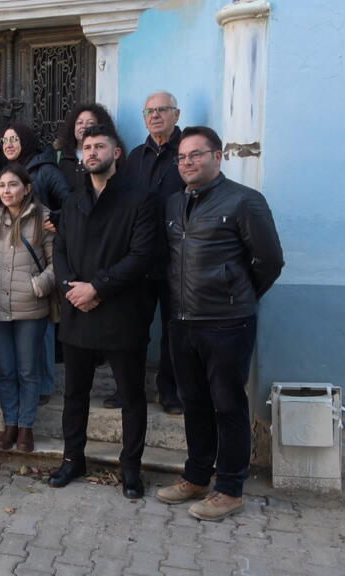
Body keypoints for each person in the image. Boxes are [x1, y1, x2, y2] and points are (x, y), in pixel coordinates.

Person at [155, 126, 283, 521]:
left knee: (227, 405)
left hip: (228, 323)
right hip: (182, 320)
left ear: (217, 156)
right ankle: (196, 476)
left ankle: (229, 488)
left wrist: (237, 295)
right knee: (194, 403)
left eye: (196, 154)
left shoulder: (245, 201)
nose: (187, 162)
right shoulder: (174, 203)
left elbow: (270, 261)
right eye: (182, 157)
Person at [49, 125, 156, 500]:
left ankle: (131, 469)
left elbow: (142, 255)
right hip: (77, 310)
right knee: (75, 394)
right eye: (87, 147)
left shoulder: (140, 198)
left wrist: (97, 288)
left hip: (122, 312)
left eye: (99, 146)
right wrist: (71, 288)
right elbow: (59, 251)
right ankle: (72, 459)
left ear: (116, 152)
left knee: (131, 397)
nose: (92, 152)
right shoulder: (73, 200)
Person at [0, 163, 54, 453]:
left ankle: (26, 426)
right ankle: (10, 424)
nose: (6, 191)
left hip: (30, 308)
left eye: (13, 184)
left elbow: (57, 262)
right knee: (5, 371)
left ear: (27, 188)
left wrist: (39, 286)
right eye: (2, 185)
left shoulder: (43, 218)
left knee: (28, 370)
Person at [122, 90, 186, 415]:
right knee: (133, 328)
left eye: (162, 109)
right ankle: (128, 389)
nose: (156, 115)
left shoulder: (186, 154)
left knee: (174, 332)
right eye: (149, 111)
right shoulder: (135, 157)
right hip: (141, 258)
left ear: (177, 114)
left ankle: (169, 391)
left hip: (177, 259)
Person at [0, 122, 70, 404]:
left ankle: (44, 386)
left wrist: (56, 219)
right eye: (5, 141)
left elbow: (70, 203)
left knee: (44, 328)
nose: (9, 145)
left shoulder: (46, 170)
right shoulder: (5, 173)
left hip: (42, 254)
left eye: (14, 139)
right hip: (13, 259)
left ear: (26, 141)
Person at [55, 103, 117, 193]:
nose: (84, 126)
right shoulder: (60, 155)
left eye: (90, 123)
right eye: (79, 123)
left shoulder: (107, 155)